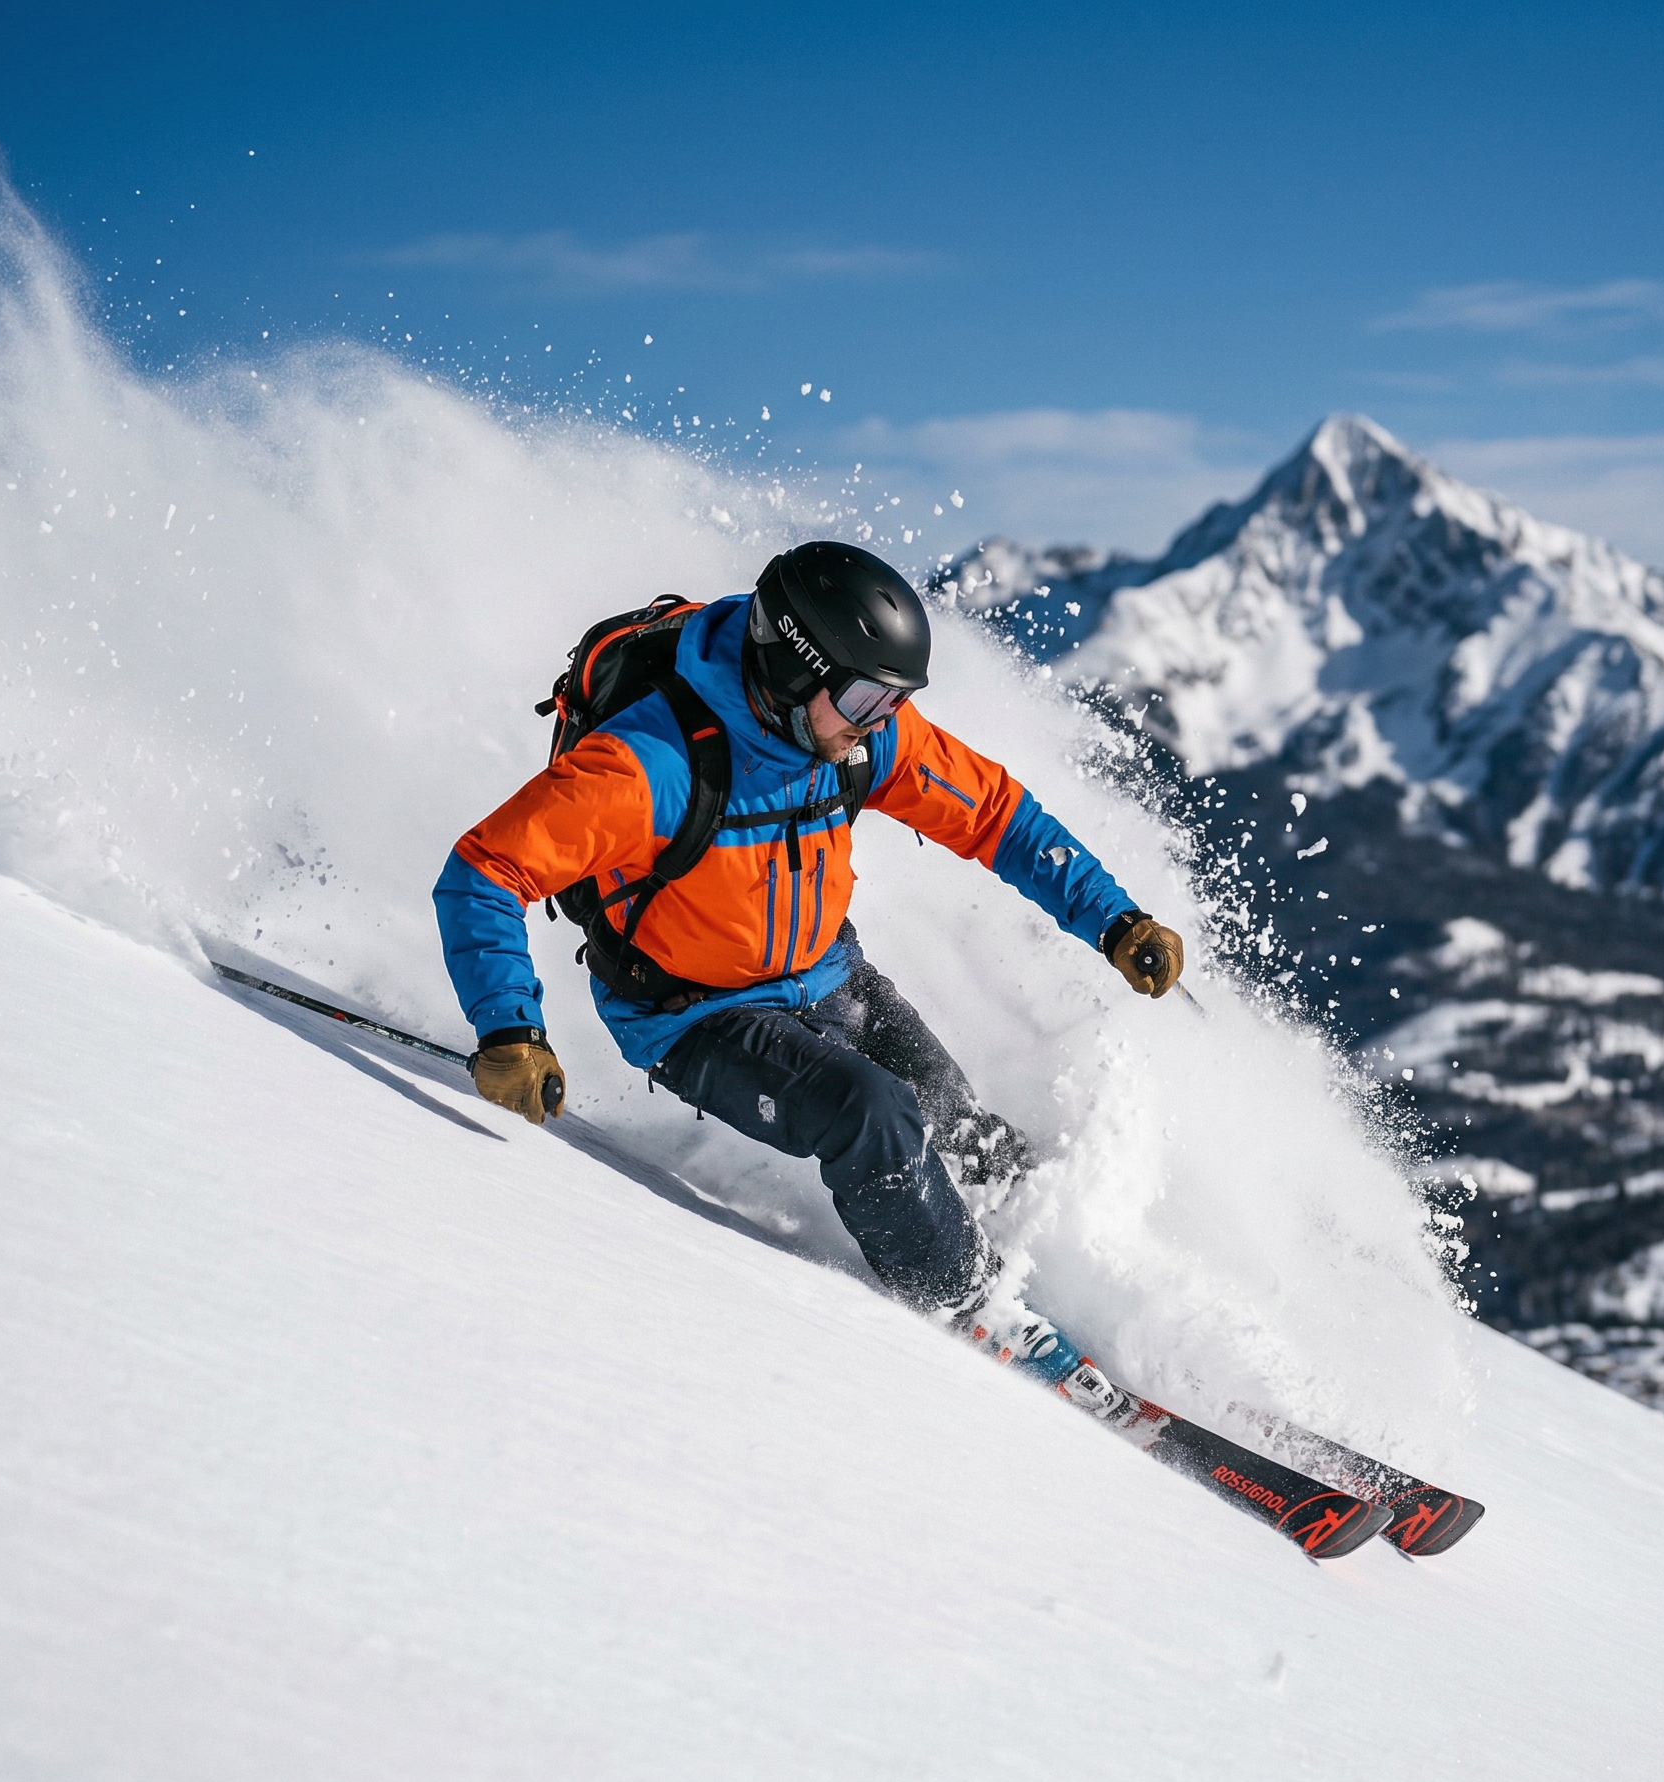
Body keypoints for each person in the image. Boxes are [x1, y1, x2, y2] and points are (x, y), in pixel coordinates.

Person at [433, 541, 1184, 1390]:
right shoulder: (653, 765)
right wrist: (509, 1029)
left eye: (896, 699)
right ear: (796, 671)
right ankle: (974, 1310)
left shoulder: (858, 737)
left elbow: (995, 816)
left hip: (826, 972)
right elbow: (484, 870)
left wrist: (1114, 918)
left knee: (962, 1128)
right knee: (873, 1115)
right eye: (866, 696)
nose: (881, 719)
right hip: (695, 1013)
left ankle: (1065, 1275)